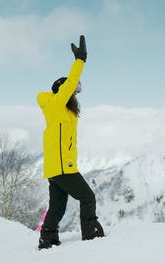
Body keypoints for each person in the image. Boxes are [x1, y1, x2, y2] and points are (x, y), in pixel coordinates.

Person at [36, 35, 104, 250]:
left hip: (57, 167)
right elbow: (69, 85)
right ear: (64, 92)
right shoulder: (56, 105)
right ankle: (91, 234)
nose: (76, 95)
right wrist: (80, 60)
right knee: (88, 197)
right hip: (63, 167)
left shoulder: (63, 112)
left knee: (57, 207)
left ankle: (47, 239)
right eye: (74, 91)